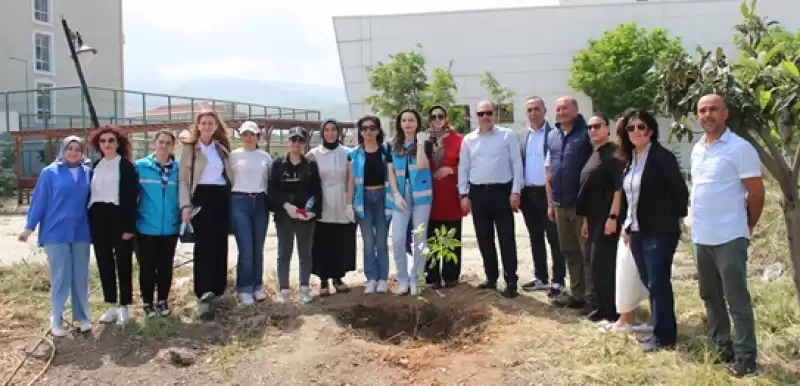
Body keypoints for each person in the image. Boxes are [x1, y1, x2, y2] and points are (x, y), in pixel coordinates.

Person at [691, 94, 764, 377]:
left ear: (725, 113)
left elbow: (757, 193)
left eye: (713, 109)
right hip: (702, 237)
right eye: (702, 110)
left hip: (730, 236)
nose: (707, 114)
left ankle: (746, 357)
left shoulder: (739, 148)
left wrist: (747, 225)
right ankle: (722, 347)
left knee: (736, 299)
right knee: (710, 296)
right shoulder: (698, 148)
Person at [618, 109, 689, 352]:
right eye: (630, 128)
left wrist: (672, 221)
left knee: (659, 282)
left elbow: (680, 193)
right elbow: (629, 198)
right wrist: (626, 226)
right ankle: (660, 330)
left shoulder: (661, 157)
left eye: (640, 126)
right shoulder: (631, 160)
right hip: (636, 231)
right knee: (651, 282)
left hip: (660, 231)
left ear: (650, 130)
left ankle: (665, 338)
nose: (635, 131)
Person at [19, 136, 93, 337]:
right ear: (63, 150)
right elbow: (39, 201)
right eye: (70, 148)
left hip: (81, 231)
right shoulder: (50, 173)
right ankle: (57, 317)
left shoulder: (88, 172)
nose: (74, 152)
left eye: (78, 149)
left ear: (82, 152)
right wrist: (29, 227)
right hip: (55, 231)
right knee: (61, 276)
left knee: (80, 276)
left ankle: (82, 316)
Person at [458, 100, 523, 298]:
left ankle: (511, 280)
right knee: (484, 237)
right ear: (475, 116)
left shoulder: (507, 135)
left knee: (506, 238)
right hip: (478, 193)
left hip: (502, 192)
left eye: (488, 113)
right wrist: (463, 194)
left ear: (494, 114)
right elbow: (464, 167)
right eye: (480, 114)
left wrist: (516, 191)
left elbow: (516, 163)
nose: (485, 117)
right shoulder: (469, 140)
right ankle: (491, 277)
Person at [179, 111, 234, 318]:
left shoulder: (221, 149)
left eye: (211, 123)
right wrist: (185, 206)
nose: (208, 126)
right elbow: (183, 180)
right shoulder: (190, 149)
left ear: (216, 126)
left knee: (220, 243)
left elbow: (228, 175)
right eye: (204, 123)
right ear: (198, 126)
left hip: (220, 197)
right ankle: (203, 291)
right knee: (203, 245)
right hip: (200, 196)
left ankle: (219, 289)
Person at [545, 97, 593, 313]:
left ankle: (593, 300)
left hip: (581, 205)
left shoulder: (586, 134)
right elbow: (549, 172)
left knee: (587, 253)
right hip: (559, 204)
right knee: (569, 251)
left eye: (565, 107)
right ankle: (577, 295)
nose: (561, 111)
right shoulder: (553, 135)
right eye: (558, 109)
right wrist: (550, 203)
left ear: (576, 109)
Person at [87, 126, 139, 325]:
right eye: (103, 141)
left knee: (123, 263)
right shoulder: (95, 165)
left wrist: (129, 226)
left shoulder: (125, 166)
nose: (107, 144)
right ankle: (110, 305)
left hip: (119, 217)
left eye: (110, 141)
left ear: (118, 143)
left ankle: (124, 306)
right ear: (98, 145)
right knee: (104, 262)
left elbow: (131, 197)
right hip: (98, 218)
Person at [576, 113, 625, 323]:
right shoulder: (595, 153)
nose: (593, 130)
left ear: (608, 128)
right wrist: (586, 220)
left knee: (604, 265)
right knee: (595, 265)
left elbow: (618, 189)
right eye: (590, 127)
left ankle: (612, 311)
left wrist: (613, 217)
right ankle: (600, 308)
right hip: (593, 218)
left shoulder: (614, 156)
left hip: (607, 219)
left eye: (597, 126)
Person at [516, 96, 565, 297]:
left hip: (548, 195)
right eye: (529, 110)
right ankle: (541, 278)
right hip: (528, 194)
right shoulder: (519, 136)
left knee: (554, 238)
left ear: (545, 111)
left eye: (537, 109)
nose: (533, 113)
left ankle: (558, 281)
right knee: (535, 236)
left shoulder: (555, 134)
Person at [269, 127, 322, 304]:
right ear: (288, 142)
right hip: (284, 215)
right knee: (284, 252)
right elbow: (272, 189)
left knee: (305, 253)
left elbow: (316, 190)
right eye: (293, 140)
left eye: (300, 141)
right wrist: (285, 204)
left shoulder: (310, 165)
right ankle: (284, 290)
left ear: (304, 143)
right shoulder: (277, 164)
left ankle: (304, 289)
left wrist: (312, 211)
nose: (296, 144)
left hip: (304, 215)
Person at [135, 130, 181, 317]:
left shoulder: (179, 169)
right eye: (160, 142)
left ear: (173, 146)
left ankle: (162, 300)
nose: (164, 146)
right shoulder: (140, 166)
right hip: (146, 226)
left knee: (165, 266)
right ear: (155, 143)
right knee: (146, 266)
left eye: (168, 143)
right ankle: (147, 302)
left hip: (170, 226)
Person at [308, 119, 357, 296]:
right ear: (322, 133)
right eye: (326, 130)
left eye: (333, 130)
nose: (330, 133)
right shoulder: (314, 154)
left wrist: (350, 204)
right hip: (323, 200)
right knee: (322, 241)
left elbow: (352, 178)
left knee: (340, 240)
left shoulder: (348, 153)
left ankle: (338, 277)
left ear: (338, 132)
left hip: (343, 199)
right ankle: (322, 280)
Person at [387, 108, 432, 296]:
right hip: (400, 197)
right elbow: (390, 172)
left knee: (419, 239)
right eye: (404, 120)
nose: (407, 124)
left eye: (411, 120)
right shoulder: (392, 145)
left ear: (417, 123)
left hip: (422, 197)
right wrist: (396, 194)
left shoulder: (426, 142)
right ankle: (403, 279)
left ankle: (417, 278)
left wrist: (420, 142)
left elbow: (422, 164)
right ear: (400, 123)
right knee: (397, 238)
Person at [347, 116, 393, 294]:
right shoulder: (354, 154)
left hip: (382, 197)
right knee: (368, 241)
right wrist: (348, 204)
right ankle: (371, 278)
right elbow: (351, 181)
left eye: (371, 127)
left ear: (378, 130)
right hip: (363, 199)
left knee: (381, 241)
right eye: (364, 128)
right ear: (360, 132)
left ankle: (383, 278)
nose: (368, 131)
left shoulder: (385, 151)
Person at [229, 121, 272, 305]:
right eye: (245, 134)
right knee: (245, 248)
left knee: (258, 248)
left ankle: (257, 286)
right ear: (241, 136)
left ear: (257, 137)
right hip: (240, 201)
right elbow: (229, 179)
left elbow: (269, 180)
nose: (248, 137)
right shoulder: (233, 156)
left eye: (252, 134)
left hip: (260, 201)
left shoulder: (265, 157)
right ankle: (244, 287)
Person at [424, 105, 465, 289]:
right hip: (429, 196)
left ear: (446, 118)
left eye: (440, 116)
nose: (437, 120)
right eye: (433, 117)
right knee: (432, 239)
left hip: (451, 194)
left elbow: (467, 166)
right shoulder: (425, 140)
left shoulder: (458, 140)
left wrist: (450, 170)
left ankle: (450, 276)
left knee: (451, 236)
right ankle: (432, 277)